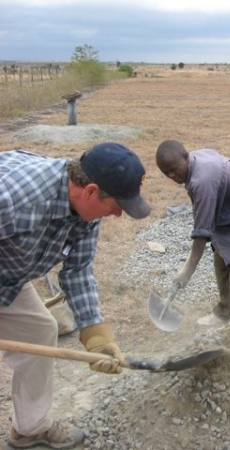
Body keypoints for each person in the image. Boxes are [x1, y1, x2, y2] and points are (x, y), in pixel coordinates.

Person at [0, 142, 151, 449]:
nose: (119, 215)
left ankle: (30, 428)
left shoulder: (87, 215)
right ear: (91, 191)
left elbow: (78, 270)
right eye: (117, 204)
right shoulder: (15, 199)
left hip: (8, 277)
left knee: (39, 330)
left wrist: (95, 334)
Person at [155, 140, 230, 327]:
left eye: (174, 169)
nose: (172, 175)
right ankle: (225, 312)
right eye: (166, 173)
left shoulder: (202, 180)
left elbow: (201, 234)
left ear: (186, 157)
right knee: (221, 253)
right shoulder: (193, 164)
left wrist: (187, 271)